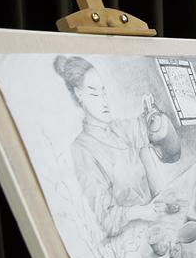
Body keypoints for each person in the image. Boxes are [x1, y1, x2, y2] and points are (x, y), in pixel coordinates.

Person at [53, 55, 166, 237]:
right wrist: (139, 212)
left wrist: (150, 113)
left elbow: (144, 128)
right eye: (94, 94)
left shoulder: (119, 127)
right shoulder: (81, 149)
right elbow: (106, 219)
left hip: (157, 221)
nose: (104, 101)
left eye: (103, 92)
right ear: (80, 95)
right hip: (132, 236)